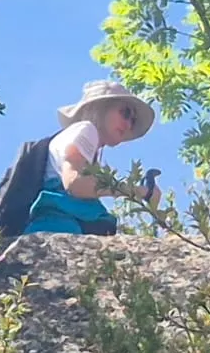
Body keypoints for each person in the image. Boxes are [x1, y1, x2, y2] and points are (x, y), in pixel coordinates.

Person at [23, 80, 160, 236]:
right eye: (125, 113)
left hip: (53, 223)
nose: (128, 124)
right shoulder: (86, 130)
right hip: (57, 225)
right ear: (101, 108)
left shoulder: (86, 141)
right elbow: (76, 183)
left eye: (133, 121)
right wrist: (139, 191)